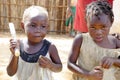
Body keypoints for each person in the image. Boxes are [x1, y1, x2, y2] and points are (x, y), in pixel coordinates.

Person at [67, 1, 120, 80]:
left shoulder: (116, 42)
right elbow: (70, 64)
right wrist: (88, 74)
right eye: (93, 27)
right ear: (86, 22)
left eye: (103, 27)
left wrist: (114, 60)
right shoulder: (81, 40)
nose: (98, 32)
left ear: (111, 22)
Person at [7, 6, 62, 80]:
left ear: (47, 27)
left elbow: (59, 67)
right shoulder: (18, 46)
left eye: (43, 26)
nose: (38, 30)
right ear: (23, 26)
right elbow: (10, 73)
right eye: (33, 25)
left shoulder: (50, 47)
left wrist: (50, 65)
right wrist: (15, 56)